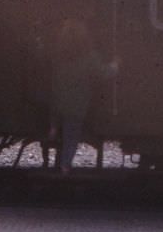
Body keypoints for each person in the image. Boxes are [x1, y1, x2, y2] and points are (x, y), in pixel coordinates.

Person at [48, 17, 118, 175]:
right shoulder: (89, 56)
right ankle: (65, 166)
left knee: (59, 118)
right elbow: (104, 73)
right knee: (71, 137)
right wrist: (116, 64)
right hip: (77, 105)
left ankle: (53, 128)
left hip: (57, 101)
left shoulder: (57, 54)